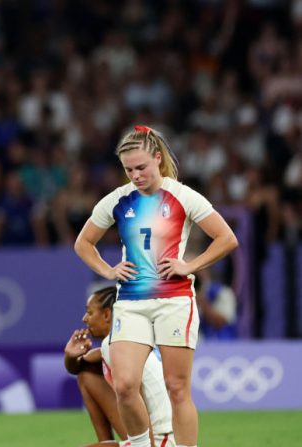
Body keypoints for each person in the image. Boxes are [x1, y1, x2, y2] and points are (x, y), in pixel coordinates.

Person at [74, 125, 238, 447]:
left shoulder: (182, 195)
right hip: (131, 301)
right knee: (124, 384)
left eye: (141, 167)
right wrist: (108, 270)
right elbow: (83, 243)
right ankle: (139, 445)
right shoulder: (118, 200)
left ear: (158, 159)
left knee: (177, 389)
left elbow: (227, 238)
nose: (135, 175)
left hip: (174, 300)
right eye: (128, 169)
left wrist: (189, 265)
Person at [65, 286, 175, 447]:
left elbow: (138, 395)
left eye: (90, 312)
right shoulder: (125, 339)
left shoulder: (114, 345)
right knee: (86, 375)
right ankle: (107, 442)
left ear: (107, 314)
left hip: (160, 439)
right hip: (162, 432)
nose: (85, 319)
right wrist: (70, 355)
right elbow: (78, 367)